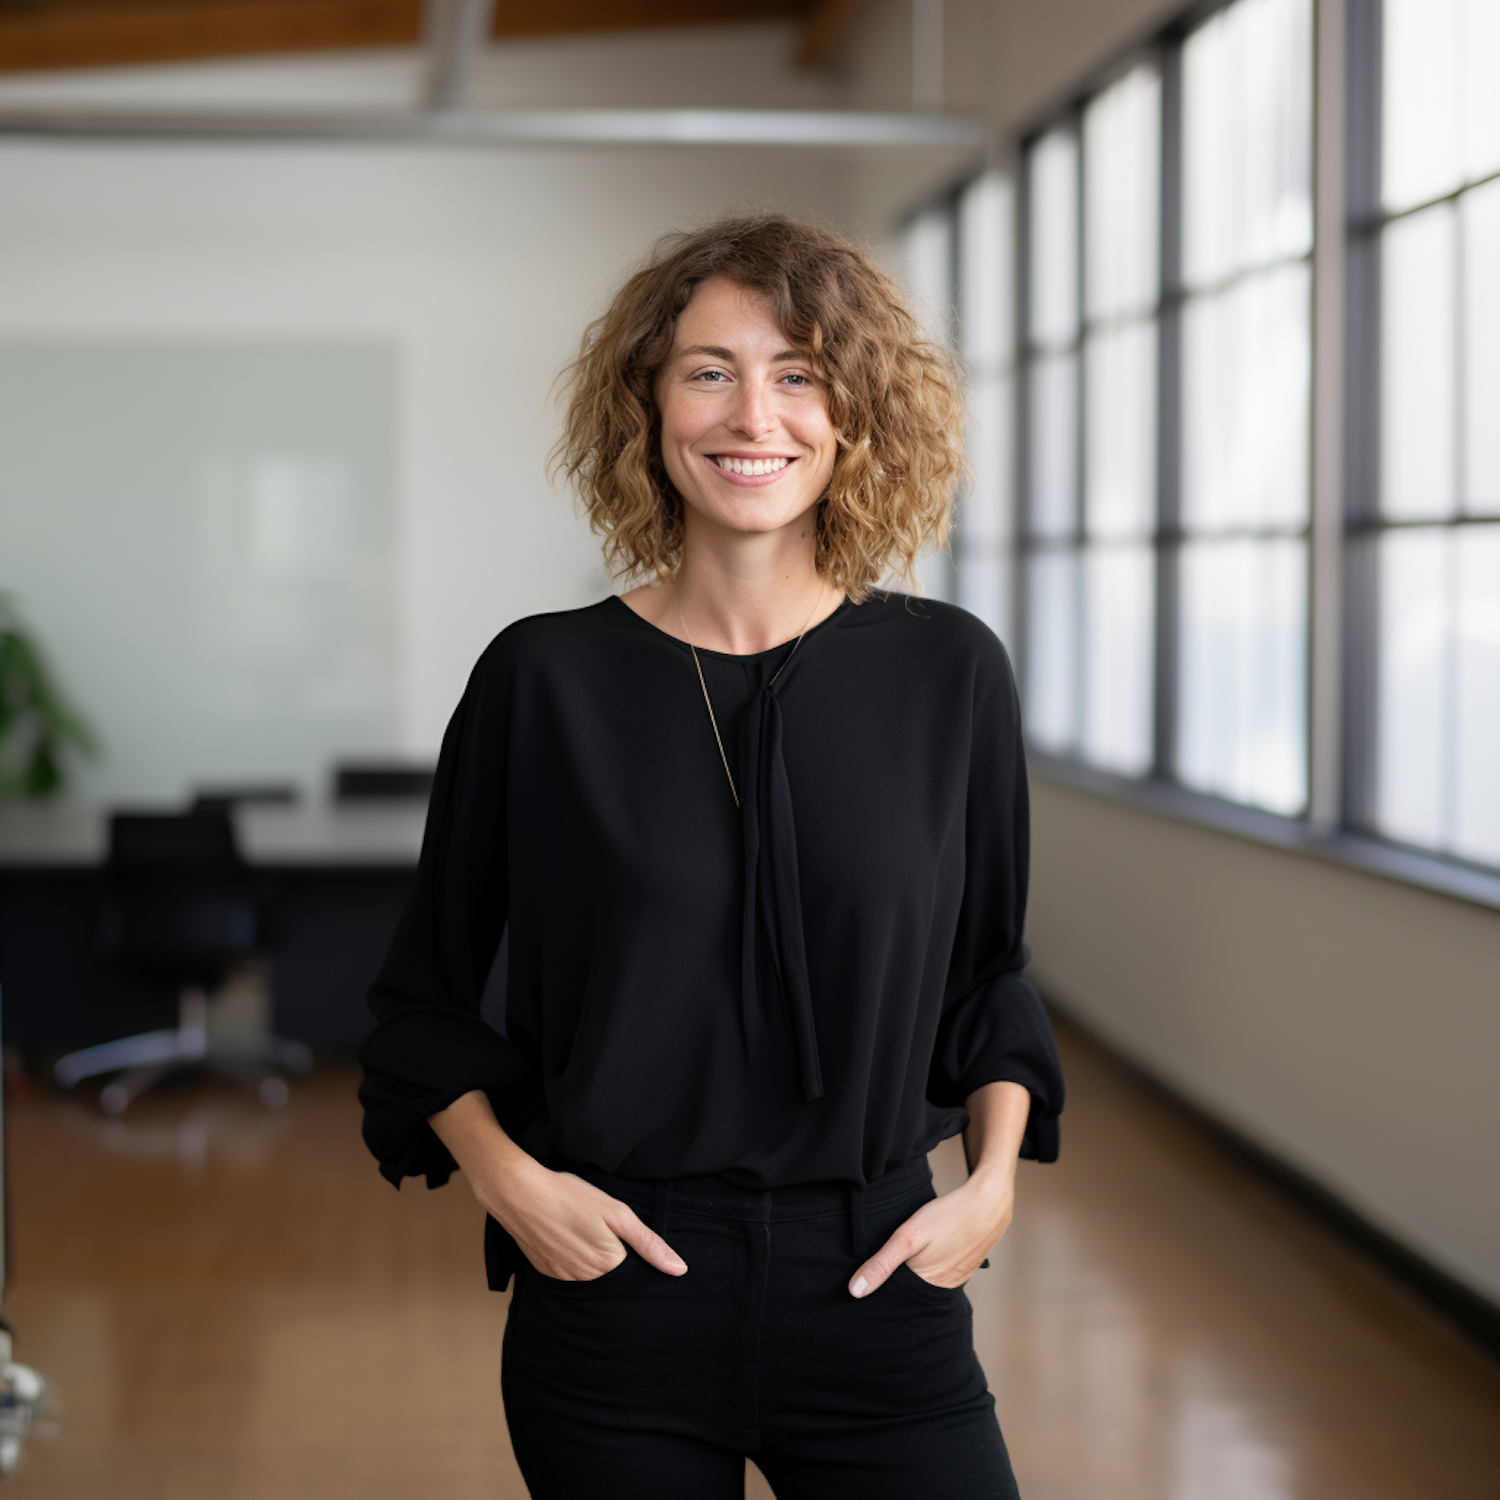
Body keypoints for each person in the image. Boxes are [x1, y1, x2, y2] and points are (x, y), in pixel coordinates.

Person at [357, 213, 1064, 1498]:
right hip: (616, 1287)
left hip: (879, 1277)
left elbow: (990, 974)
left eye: (798, 373)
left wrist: (995, 1184)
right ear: (649, 404)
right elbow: (423, 999)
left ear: (855, 415)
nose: (755, 415)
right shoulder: (541, 682)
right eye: (709, 371)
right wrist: (514, 1186)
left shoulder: (949, 671)